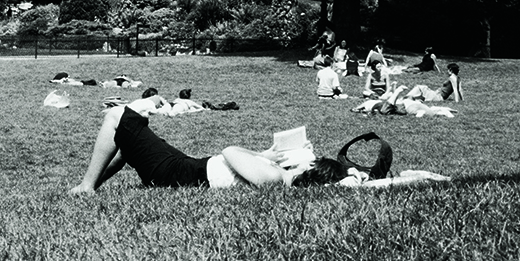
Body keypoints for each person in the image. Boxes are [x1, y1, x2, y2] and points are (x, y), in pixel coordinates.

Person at [69, 105, 347, 194]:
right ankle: (91, 185)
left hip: (172, 173)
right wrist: (269, 155)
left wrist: (263, 155)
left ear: (309, 169)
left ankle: (86, 186)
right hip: (184, 166)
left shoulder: (274, 178)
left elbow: (229, 151)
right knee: (130, 140)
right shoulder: (275, 176)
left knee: (118, 117)